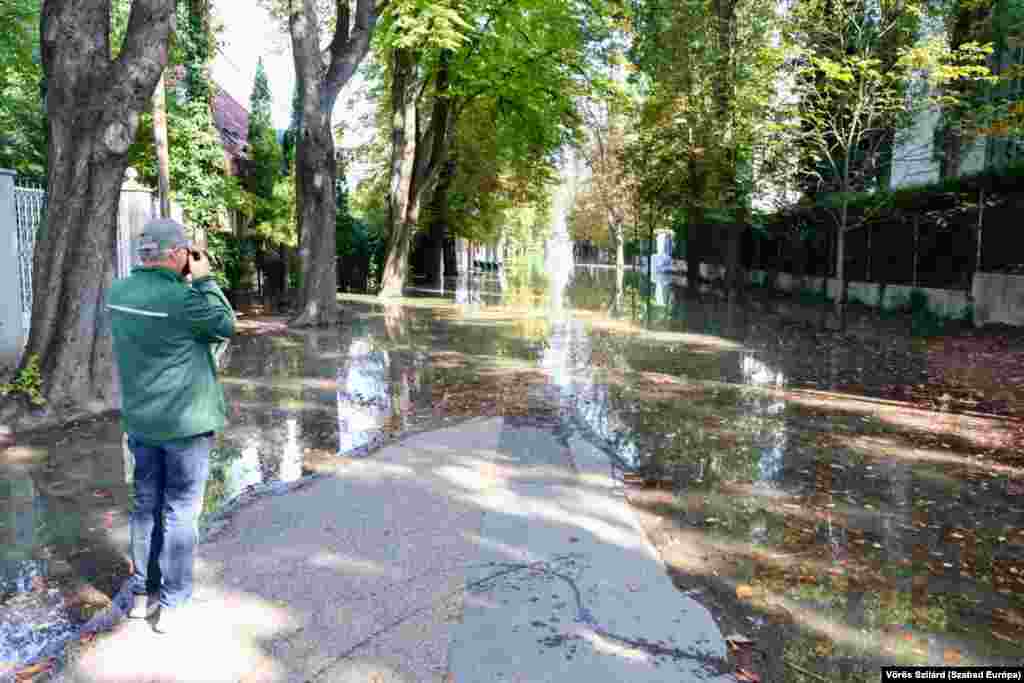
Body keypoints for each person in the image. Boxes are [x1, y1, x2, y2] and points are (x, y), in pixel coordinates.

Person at [108, 218, 236, 634]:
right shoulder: (184, 298)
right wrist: (205, 279)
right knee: (180, 512)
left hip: (142, 422)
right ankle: (175, 601)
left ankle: (143, 594)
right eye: (187, 253)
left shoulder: (118, 292)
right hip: (184, 425)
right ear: (178, 254)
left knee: (146, 507)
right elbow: (225, 324)